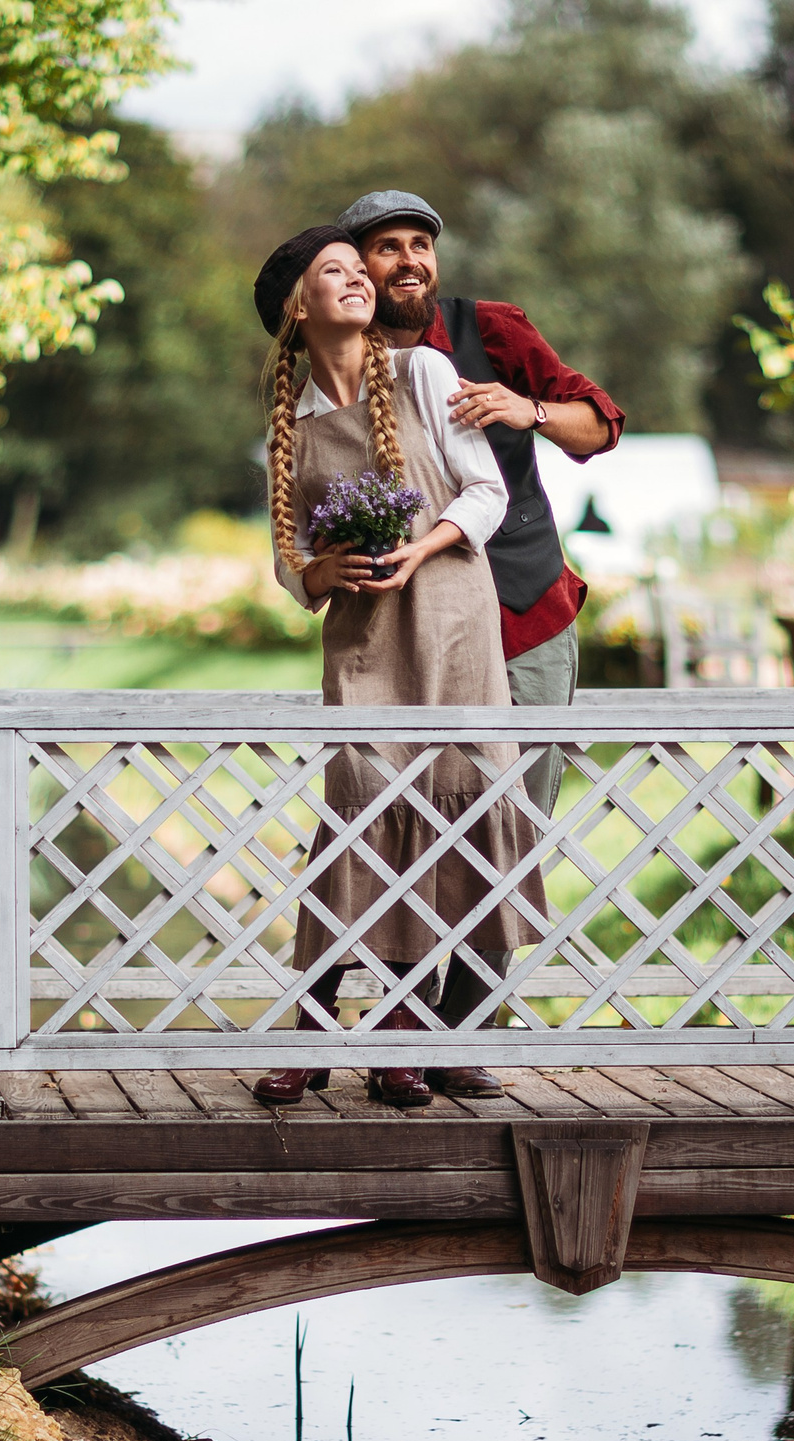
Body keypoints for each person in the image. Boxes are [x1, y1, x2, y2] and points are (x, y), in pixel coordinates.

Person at [244, 225, 544, 1110]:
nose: (360, 280)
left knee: (450, 806)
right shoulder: (292, 428)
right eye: (335, 272)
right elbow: (287, 557)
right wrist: (318, 574)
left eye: (357, 270)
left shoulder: (421, 373)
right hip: (366, 640)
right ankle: (313, 1026)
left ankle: (402, 1034)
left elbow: (488, 491)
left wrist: (423, 549)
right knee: (363, 815)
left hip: (451, 616)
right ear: (301, 307)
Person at [336, 189, 624, 1094]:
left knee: (509, 826)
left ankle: (461, 1037)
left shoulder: (489, 330)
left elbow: (600, 423)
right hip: (409, 633)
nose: (409, 260)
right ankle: (398, 1037)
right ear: (356, 268)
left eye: (421, 243)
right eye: (387, 247)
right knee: (407, 827)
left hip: (525, 614)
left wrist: (524, 410)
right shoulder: (336, 362)